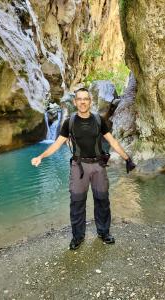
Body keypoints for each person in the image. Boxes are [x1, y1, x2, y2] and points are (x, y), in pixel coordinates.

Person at [31, 88, 135, 250]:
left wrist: (127, 158)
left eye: (85, 98)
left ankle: (103, 232)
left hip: (99, 166)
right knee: (77, 202)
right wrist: (41, 157)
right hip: (78, 167)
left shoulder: (99, 120)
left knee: (102, 200)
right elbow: (57, 144)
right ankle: (78, 236)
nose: (82, 101)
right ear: (75, 102)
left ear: (90, 101)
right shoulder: (69, 122)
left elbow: (112, 142)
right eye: (79, 99)